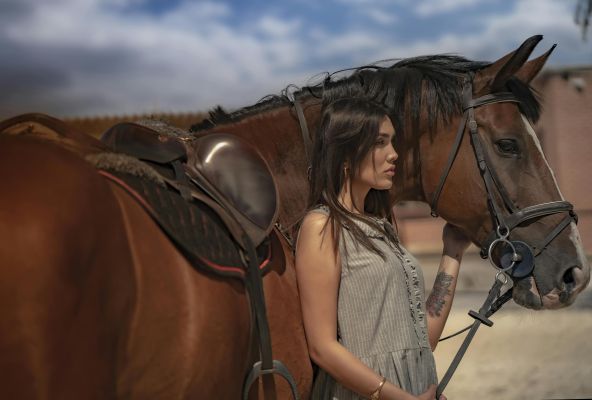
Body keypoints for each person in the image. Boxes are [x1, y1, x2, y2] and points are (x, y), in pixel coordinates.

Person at [295, 98, 471, 400]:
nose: (394, 155)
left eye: (393, 143)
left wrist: (452, 253)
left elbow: (423, 339)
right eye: (380, 143)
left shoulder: (383, 229)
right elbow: (322, 347)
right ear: (346, 154)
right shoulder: (322, 226)